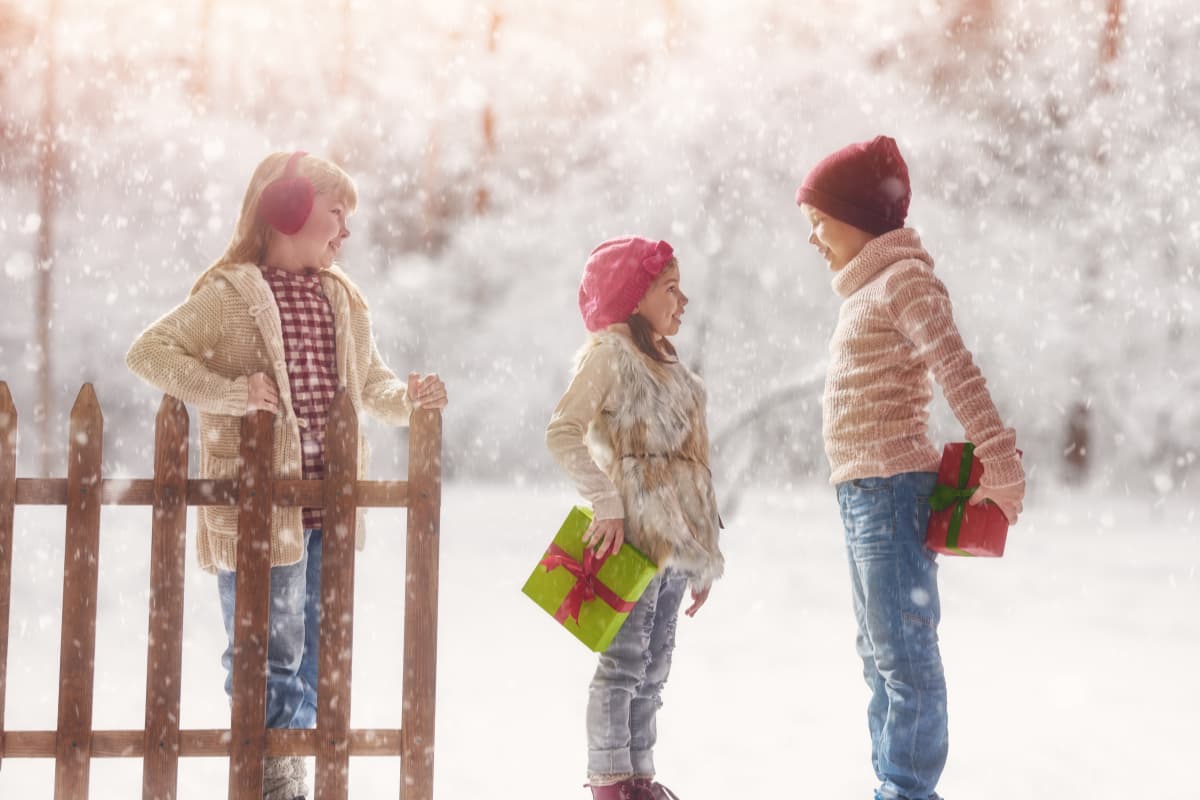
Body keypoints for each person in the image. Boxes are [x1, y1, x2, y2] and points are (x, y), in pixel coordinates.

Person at [126, 151, 448, 800]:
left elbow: (370, 383)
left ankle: (295, 764)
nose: (345, 233)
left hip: (329, 506)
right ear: (288, 211)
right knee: (264, 650)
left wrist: (407, 398)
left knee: (319, 653)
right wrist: (229, 392)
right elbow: (148, 353)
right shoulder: (228, 296)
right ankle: (270, 776)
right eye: (336, 215)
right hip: (258, 511)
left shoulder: (342, 299)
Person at [795, 135, 1025, 800]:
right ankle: (892, 785)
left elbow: (957, 369)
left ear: (858, 217)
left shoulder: (903, 281)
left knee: (905, 656)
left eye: (819, 224)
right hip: (863, 494)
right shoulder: (865, 290)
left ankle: (906, 791)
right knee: (878, 657)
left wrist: (1000, 461)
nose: (813, 240)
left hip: (893, 489)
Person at [546, 236, 724, 800]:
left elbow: (696, 465)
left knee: (656, 663)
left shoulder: (678, 372)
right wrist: (605, 499)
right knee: (623, 660)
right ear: (633, 296)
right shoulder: (610, 355)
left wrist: (704, 556)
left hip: (676, 542)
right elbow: (562, 432)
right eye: (670, 288)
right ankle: (608, 779)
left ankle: (639, 774)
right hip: (630, 537)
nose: (684, 300)